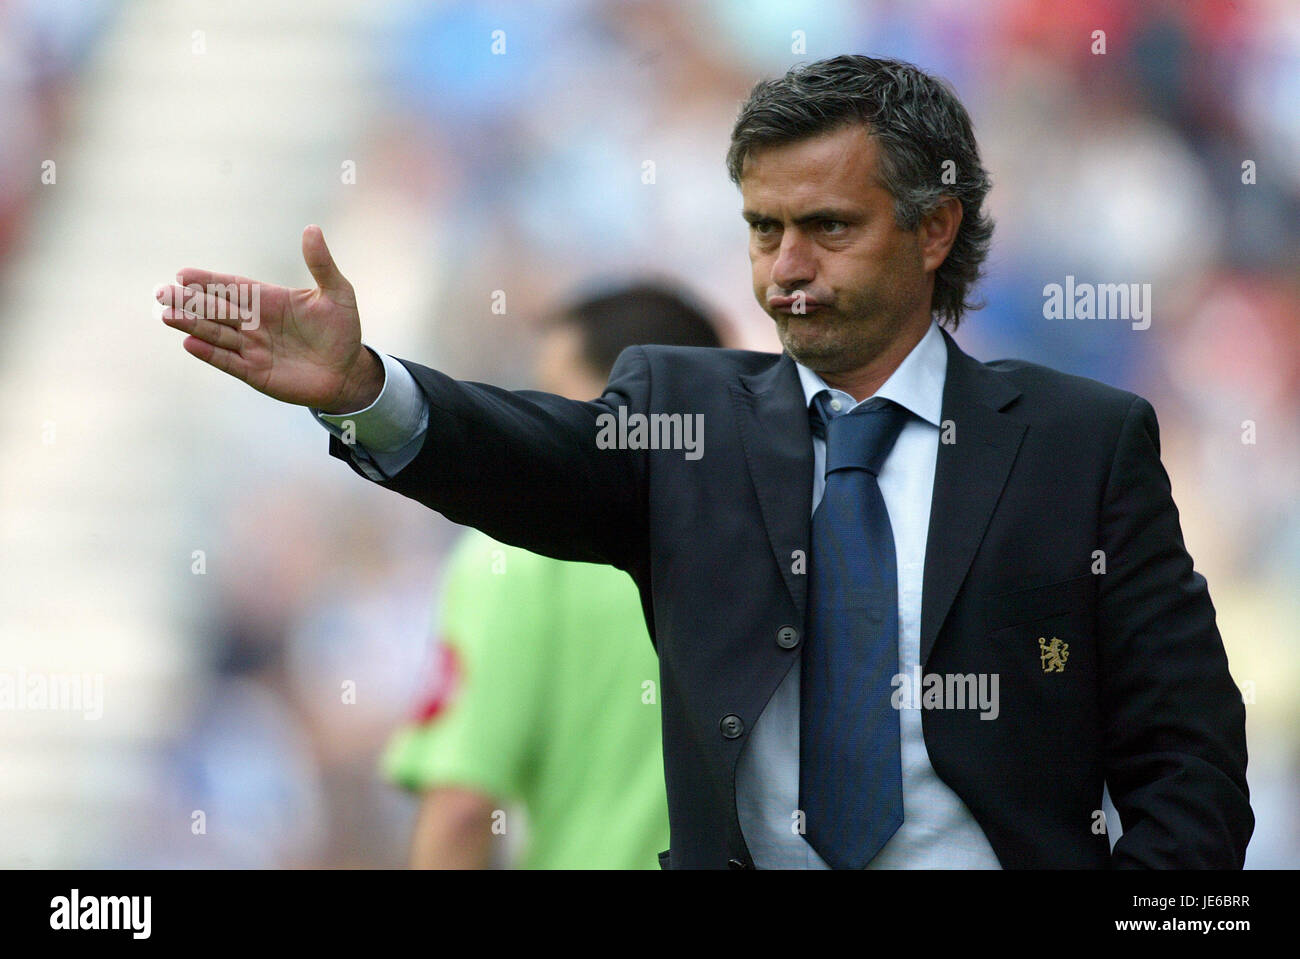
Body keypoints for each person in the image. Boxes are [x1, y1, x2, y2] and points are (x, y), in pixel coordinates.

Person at [159, 55, 1252, 869]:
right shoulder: (683, 414)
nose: (784, 268)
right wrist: (366, 390)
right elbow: (524, 455)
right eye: (761, 228)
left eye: (825, 227)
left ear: (933, 231)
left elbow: (1187, 757)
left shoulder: (1080, 443)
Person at [379, 285, 721, 869]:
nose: (529, 421)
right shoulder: (790, 522)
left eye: (553, 397)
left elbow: (462, 809)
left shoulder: (515, 556)